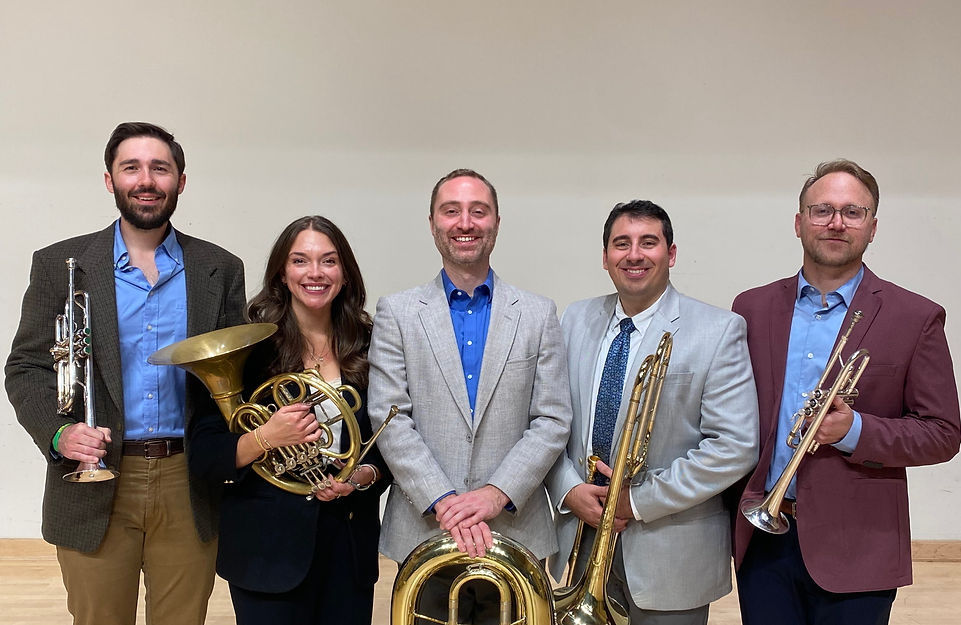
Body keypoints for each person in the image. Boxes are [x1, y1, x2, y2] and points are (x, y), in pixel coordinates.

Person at [5, 122, 245, 625]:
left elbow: (234, 375)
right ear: (110, 180)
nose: (146, 179)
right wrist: (59, 431)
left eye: (160, 168)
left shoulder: (219, 268)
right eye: (131, 167)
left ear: (180, 181)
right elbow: (26, 367)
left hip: (188, 480)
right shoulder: (59, 265)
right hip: (92, 482)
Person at [732, 159, 961, 625]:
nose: (836, 222)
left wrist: (853, 429)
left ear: (872, 228)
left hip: (861, 543)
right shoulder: (751, 307)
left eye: (853, 212)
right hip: (764, 541)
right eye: (822, 210)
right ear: (799, 223)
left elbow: (942, 433)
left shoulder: (914, 317)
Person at [368, 168, 572, 624]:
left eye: (478, 211)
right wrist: (446, 501)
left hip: (516, 532)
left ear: (496, 222)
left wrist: (495, 495)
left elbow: (552, 420)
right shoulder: (396, 313)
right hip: (426, 531)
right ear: (433, 223)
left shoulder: (538, 314)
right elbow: (389, 416)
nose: (465, 222)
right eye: (451, 211)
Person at [546, 200, 759, 625]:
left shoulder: (718, 330)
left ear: (671, 254)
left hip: (671, 549)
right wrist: (568, 487)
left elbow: (735, 446)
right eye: (621, 243)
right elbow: (552, 423)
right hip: (581, 539)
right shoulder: (575, 319)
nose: (635, 254)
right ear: (605, 257)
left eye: (649, 242)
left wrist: (635, 502)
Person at [189, 216, 389, 625]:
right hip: (266, 549)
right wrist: (266, 437)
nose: (315, 273)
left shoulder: (373, 344)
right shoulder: (246, 348)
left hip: (347, 546)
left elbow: (391, 443)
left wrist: (359, 477)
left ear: (345, 274)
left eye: (329, 261)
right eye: (300, 261)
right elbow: (205, 455)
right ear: (282, 273)